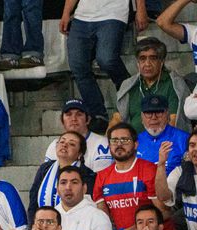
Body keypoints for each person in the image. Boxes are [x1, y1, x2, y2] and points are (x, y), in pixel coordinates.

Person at [61, 0, 143, 132]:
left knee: (107, 59)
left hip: (113, 13)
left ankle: (130, 93)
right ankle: (98, 115)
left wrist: (140, 9)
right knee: (77, 65)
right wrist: (66, 13)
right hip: (81, 16)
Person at [115, 38, 191, 132]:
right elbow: (116, 119)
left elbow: (174, 122)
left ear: (162, 62)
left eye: (153, 58)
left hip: (165, 143)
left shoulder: (174, 84)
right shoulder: (129, 85)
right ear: (137, 63)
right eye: (142, 59)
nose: (147, 64)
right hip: (133, 143)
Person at [44, 100, 113, 172]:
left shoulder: (102, 143)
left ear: (88, 120)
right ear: (62, 121)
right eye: (69, 114)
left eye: (79, 114)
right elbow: (46, 176)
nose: (74, 119)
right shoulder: (54, 146)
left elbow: (101, 179)